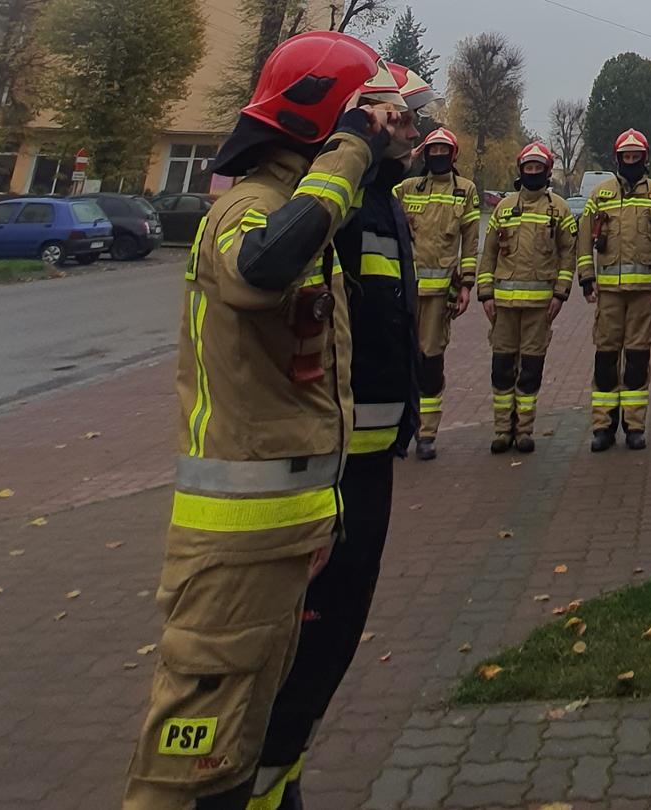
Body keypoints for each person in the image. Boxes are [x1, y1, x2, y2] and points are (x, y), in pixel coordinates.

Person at [122, 30, 403, 810]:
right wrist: (348, 156)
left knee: (250, 739)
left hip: (284, 533)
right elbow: (259, 269)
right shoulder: (249, 210)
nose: (383, 133)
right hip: (236, 546)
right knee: (192, 772)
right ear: (328, 121)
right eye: (368, 117)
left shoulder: (296, 208)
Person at [242, 62, 433, 810]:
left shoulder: (381, 202)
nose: (415, 133)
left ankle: (281, 777)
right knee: (300, 650)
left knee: (330, 645)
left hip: (369, 458)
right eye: (399, 117)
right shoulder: (330, 201)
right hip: (323, 468)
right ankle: (256, 788)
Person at [575, 128, 651, 451]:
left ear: (644, 160)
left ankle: (634, 425)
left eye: (636, 157)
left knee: (636, 359)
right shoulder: (601, 195)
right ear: (617, 159)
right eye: (626, 157)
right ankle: (602, 426)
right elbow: (583, 240)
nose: (630, 162)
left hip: (643, 294)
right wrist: (586, 278)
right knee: (605, 359)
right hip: (607, 293)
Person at [478, 142, 577, 453]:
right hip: (503, 308)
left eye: (538, 168)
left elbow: (568, 256)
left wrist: (560, 295)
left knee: (531, 370)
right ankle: (501, 431)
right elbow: (489, 254)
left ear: (546, 172)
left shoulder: (558, 209)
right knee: (502, 368)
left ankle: (524, 431)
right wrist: (485, 294)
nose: (532, 173)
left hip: (539, 308)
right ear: (520, 170)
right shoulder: (503, 209)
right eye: (528, 168)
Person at [396, 127, 480, 460]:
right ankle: (401, 428)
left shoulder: (465, 191)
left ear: (453, 155)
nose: (438, 155)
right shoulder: (406, 188)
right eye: (432, 150)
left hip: (438, 296)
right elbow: (375, 187)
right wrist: (406, 161)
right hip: (403, 292)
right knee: (401, 361)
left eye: (444, 150)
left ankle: (426, 432)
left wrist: (467, 286)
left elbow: (471, 243)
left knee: (430, 363)